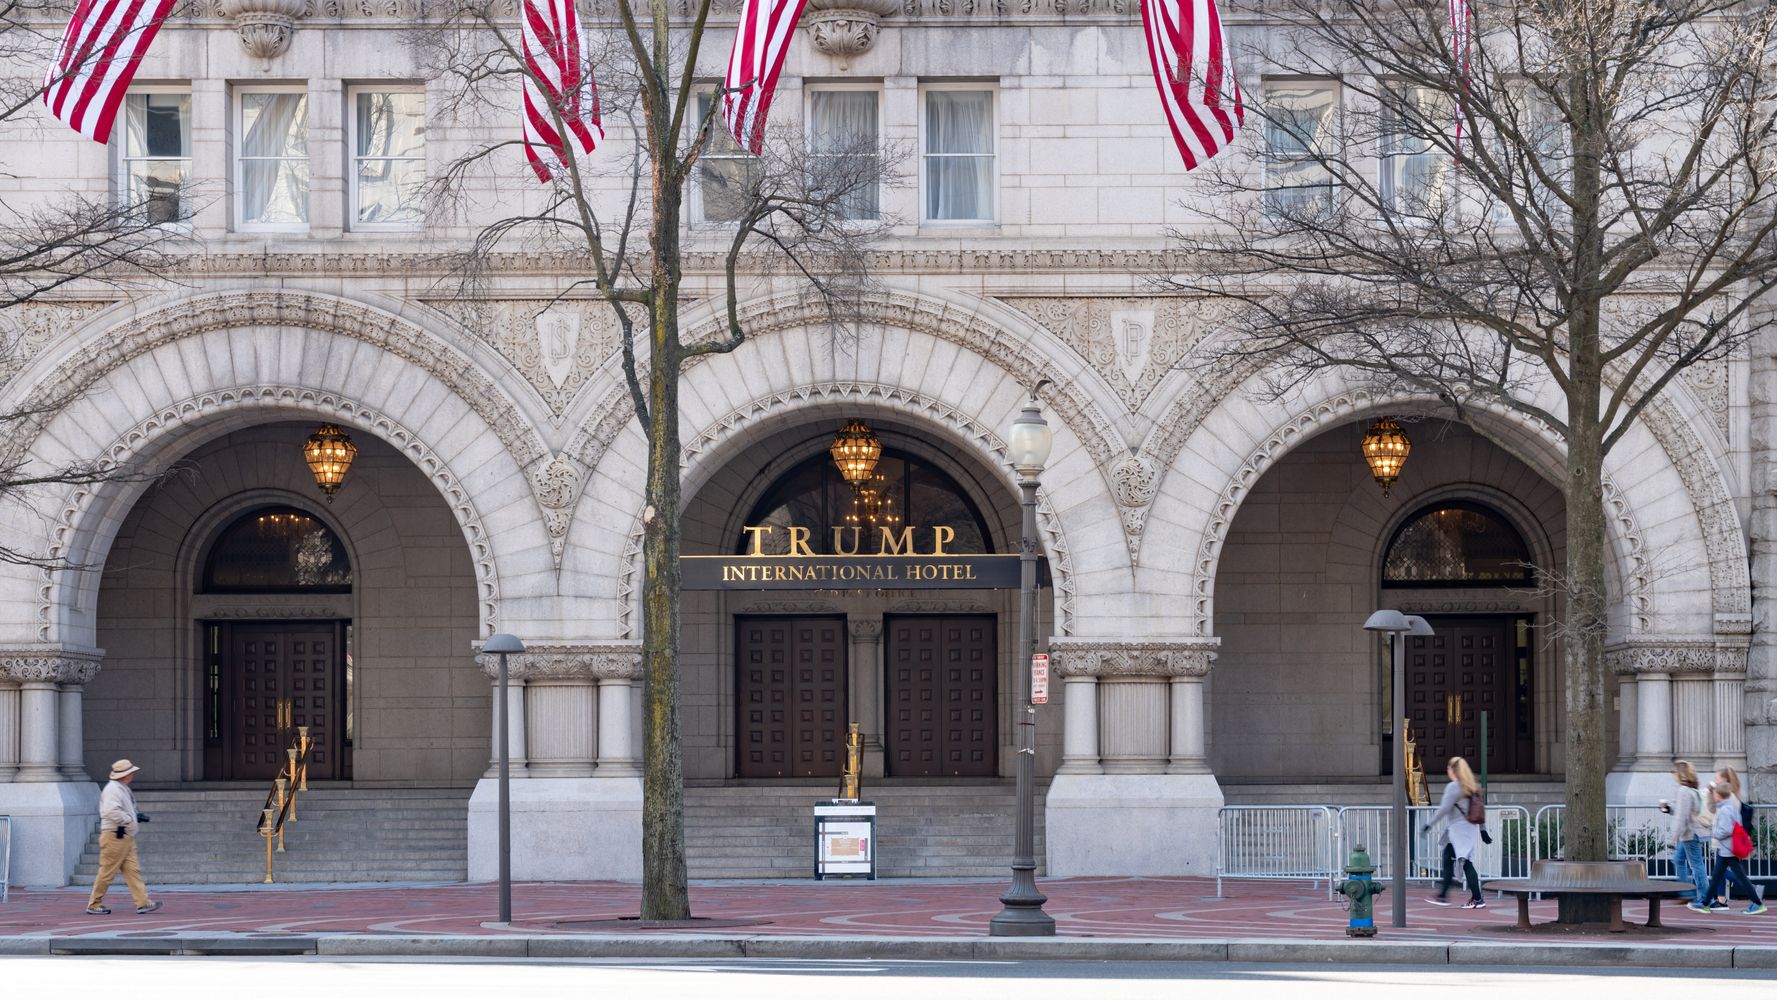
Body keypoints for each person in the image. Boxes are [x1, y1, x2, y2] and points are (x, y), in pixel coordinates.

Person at [85, 759, 161, 916]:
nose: (133, 774)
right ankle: (94, 904)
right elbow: (110, 812)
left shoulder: (120, 788)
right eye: (131, 772)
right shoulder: (114, 789)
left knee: (133, 870)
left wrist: (133, 816)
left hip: (123, 836)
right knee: (107, 871)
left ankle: (143, 902)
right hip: (115, 835)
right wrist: (129, 819)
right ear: (125, 774)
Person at [1693, 782, 1766, 916]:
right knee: (1716, 877)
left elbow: (1726, 829)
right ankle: (1704, 904)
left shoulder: (1725, 810)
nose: (1713, 796)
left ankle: (1757, 903)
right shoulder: (1730, 807)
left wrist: (1714, 833)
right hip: (1726, 849)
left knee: (1740, 877)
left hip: (1728, 849)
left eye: (1714, 794)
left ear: (1719, 796)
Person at [1424, 756, 1486, 909]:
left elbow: (1444, 809)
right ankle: (1444, 895)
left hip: (1458, 830)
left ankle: (1475, 898)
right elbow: (1479, 810)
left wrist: (1428, 824)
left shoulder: (1453, 787)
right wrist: (1483, 831)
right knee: (1451, 858)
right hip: (1468, 829)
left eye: (1449, 768)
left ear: (1453, 770)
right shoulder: (1471, 787)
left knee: (1463, 862)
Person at [1661, 760, 1709, 908]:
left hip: (1689, 833)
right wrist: (1668, 808)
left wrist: (1672, 838)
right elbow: (1682, 811)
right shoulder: (1691, 790)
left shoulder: (1683, 791)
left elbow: (1682, 816)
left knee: (1696, 865)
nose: (1672, 774)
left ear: (1680, 774)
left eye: (1674, 772)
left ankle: (1704, 898)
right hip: (1690, 832)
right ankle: (1688, 893)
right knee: (1679, 859)